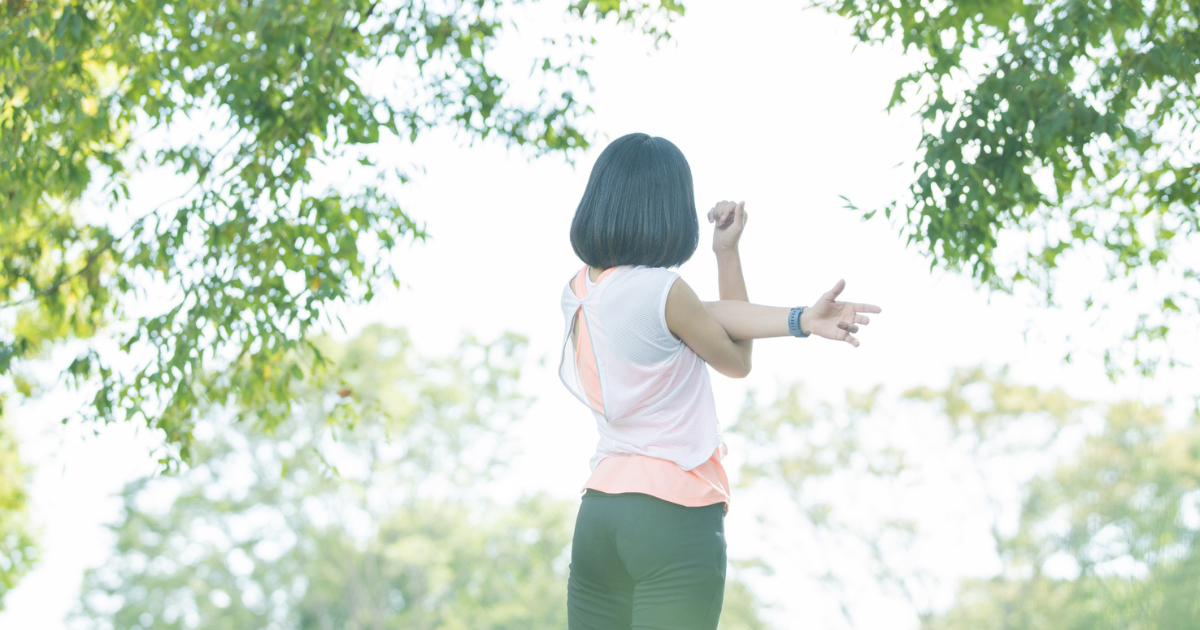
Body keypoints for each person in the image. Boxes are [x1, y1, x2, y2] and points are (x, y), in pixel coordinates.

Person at [559, 132, 881, 630]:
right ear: (669, 209)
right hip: (670, 512)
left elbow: (712, 314)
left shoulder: (579, 289)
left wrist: (736, 262)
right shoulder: (663, 291)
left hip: (599, 513)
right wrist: (796, 315)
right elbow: (737, 358)